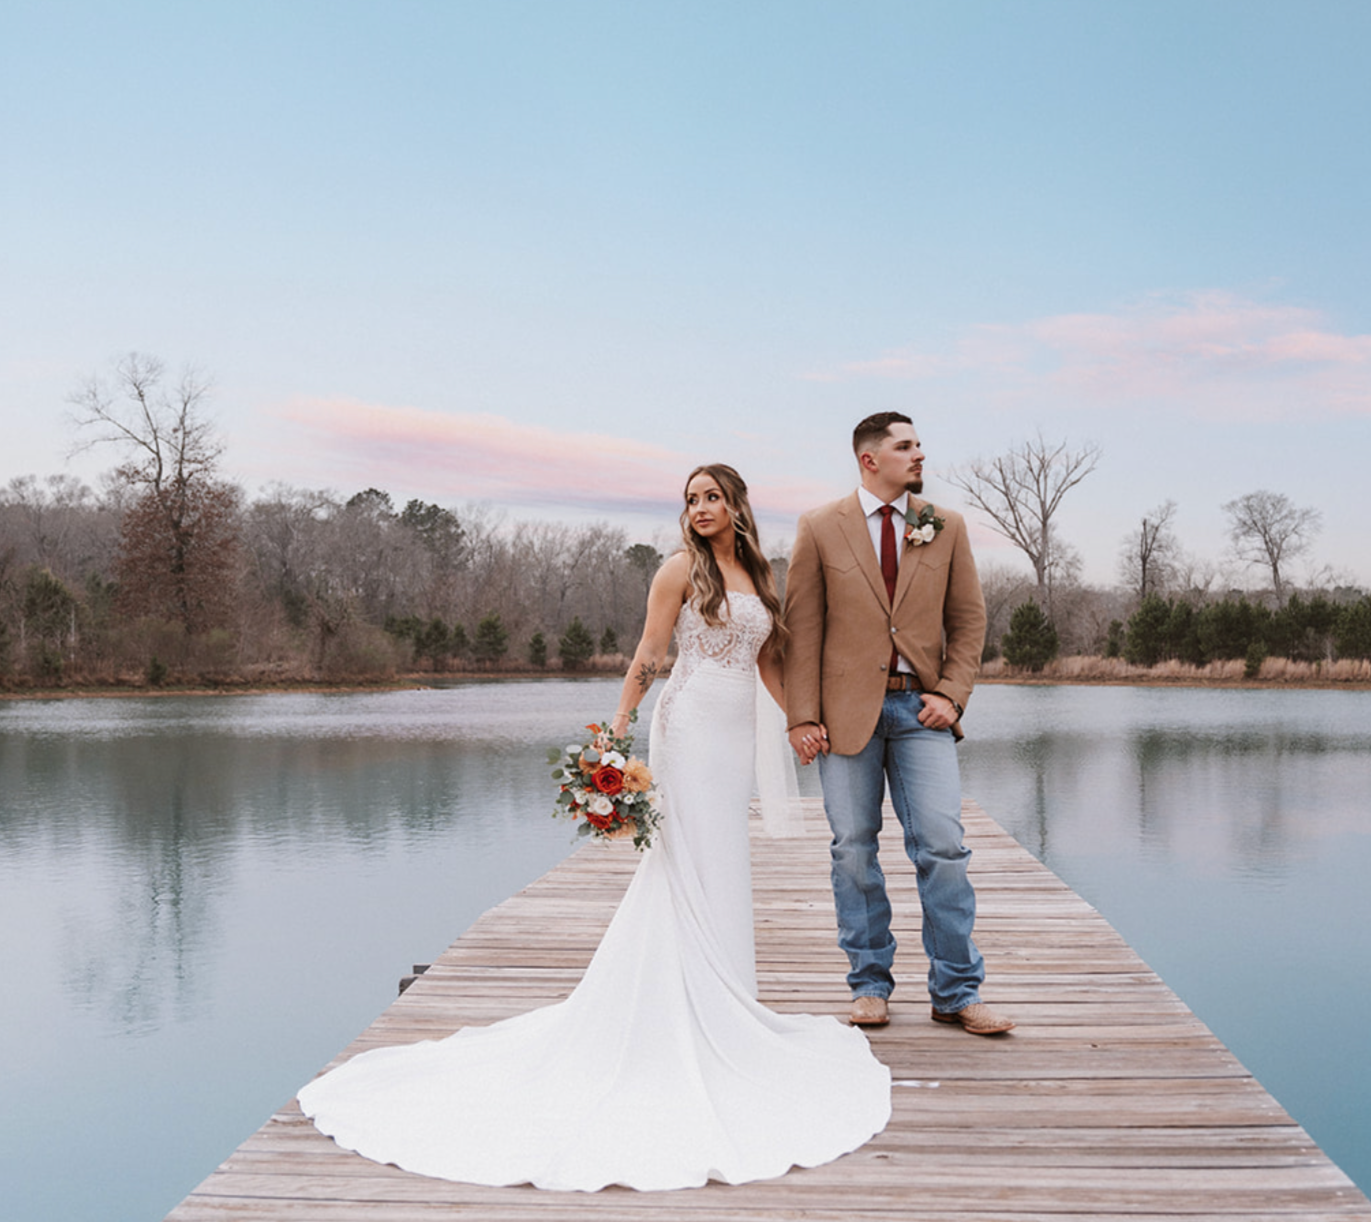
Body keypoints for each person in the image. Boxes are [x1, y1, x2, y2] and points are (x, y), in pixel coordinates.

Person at [297, 464, 890, 1191]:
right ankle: (684, 1014)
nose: (700, 508)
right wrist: (615, 736)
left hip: (737, 730)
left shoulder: (761, 576)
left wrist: (801, 719)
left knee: (723, 859)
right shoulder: (680, 570)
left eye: (712, 497)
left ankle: (729, 1001)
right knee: (688, 854)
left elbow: (769, 658)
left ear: (736, 504)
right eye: (692, 499)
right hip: (692, 722)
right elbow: (648, 657)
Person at [784, 412, 1013, 1035]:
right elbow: (801, 631)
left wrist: (953, 696)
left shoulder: (945, 525)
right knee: (853, 851)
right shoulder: (819, 528)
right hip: (843, 717)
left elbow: (969, 622)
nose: (919, 455)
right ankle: (869, 986)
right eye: (905, 446)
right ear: (869, 459)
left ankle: (957, 991)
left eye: (919, 444)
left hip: (922, 711)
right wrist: (801, 716)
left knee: (943, 846)